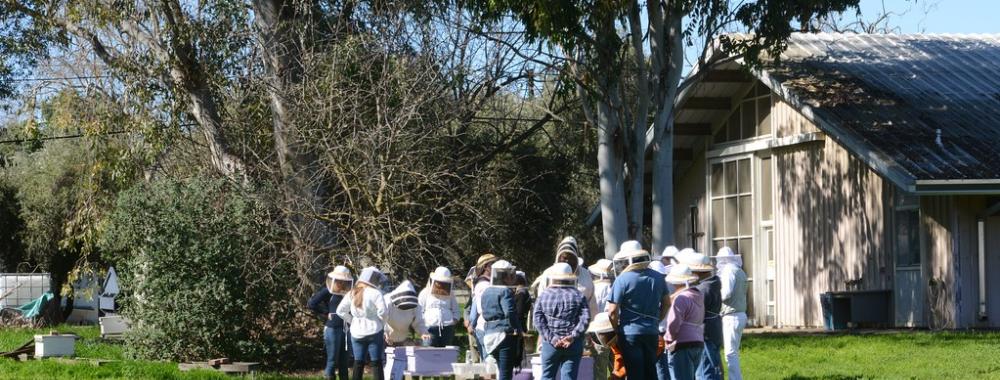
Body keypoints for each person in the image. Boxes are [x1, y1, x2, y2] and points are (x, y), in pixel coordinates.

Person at [606, 241, 670, 380]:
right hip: (652, 331)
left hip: (629, 333)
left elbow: (612, 311)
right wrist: (656, 319)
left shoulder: (622, 279)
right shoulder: (658, 277)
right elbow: (667, 303)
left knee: (635, 373)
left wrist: (616, 328)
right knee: (650, 372)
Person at [534, 263, 590, 380]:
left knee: (547, 377)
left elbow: (538, 319)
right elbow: (585, 318)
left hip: (550, 345)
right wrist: (572, 336)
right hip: (572, 344)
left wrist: (552, 338)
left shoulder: (543, 295)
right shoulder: (578, 295)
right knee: (569, 377)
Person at [337, 267, 389, 380]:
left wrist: (352, 321)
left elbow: (340, 311)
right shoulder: (376, 293)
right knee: (376, 363)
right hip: (375, 331)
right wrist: (382, 323)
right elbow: (384, 312)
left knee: (358, 362)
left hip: (356, 332)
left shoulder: (352, 292)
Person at [678, 250, 722, 380]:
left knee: (704, 367)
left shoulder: (703, 289)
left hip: (704, 331)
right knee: (713, 363)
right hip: (714, 327)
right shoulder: (714, 282)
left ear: (698, 272)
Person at [307, 266, 354, 380]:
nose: (342, 282)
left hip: (347, 329)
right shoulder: (328, 291)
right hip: (332, 329)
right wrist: (326, 312)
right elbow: (312, 303)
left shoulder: (350, 292)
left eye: (344, 280)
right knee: (332, 360)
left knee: (344, 362)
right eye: (339, 280)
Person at [478, 260, 521, 380]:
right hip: (504, 336)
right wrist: (518, 329)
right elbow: (510, 312)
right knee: (505, 373)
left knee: (499, 370)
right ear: (505, 275)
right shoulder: (505, 291)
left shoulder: (486, 291)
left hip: (489, 334)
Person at [664, 264, 705, 380]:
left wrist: (668, 338)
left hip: (682, 344)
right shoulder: (698, 295)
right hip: (698, 341)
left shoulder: (681, 298)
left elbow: (674, 322)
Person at [715, 247, 748, 380]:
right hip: (739, 314)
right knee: (732, 351)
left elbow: (726, 293)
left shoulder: (729, 271)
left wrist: (714, 297)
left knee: (730, 353)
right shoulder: (740, 271)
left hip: (731, 316)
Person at [419, 266, 461, 347]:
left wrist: (453, 322)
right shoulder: (425, 292)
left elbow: (456, 310)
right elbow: (419, 311)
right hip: (429, 327)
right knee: (429, 351)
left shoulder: (451, 294)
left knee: (445, 353)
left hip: (447, 328)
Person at [468, 253, 499, 361]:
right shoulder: (483, 284)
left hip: (488, 326)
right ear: (486, 266)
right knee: (489, 364)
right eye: (493, 264)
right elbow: (478, 306)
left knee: (488, 363)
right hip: (485, 326)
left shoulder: (488, 283)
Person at [587, 259, 614, 380]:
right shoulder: (615, 286)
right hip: (614, 330)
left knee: (600, 369)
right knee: (617, 367)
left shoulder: (594, 288)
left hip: (597, 331)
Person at [385, 280, 430, 346]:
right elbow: (382, 318)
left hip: (404, 339)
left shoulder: (416, 305)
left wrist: (423, 333)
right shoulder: (387, 300)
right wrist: (385, 334)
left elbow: (419, 321)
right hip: (387, 338)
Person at [587, 312, 626, 380]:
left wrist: (618, 373)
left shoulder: (625, 338)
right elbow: (618, 354)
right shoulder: (614, 342)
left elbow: (628, 360)